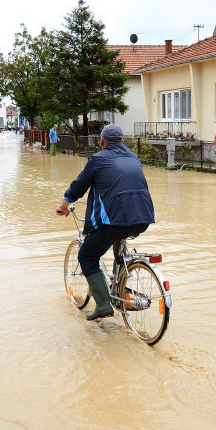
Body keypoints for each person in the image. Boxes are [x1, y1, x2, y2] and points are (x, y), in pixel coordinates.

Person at [55, 124, 155, 321]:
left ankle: (102, 305)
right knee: (117, 234)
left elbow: (77, 187)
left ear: (102, 142)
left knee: (87, 256)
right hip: (143, 218)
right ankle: (119, 280)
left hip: (113, 221)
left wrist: (63, 206)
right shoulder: (134, 157)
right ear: (123, 142)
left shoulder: (98, 159)